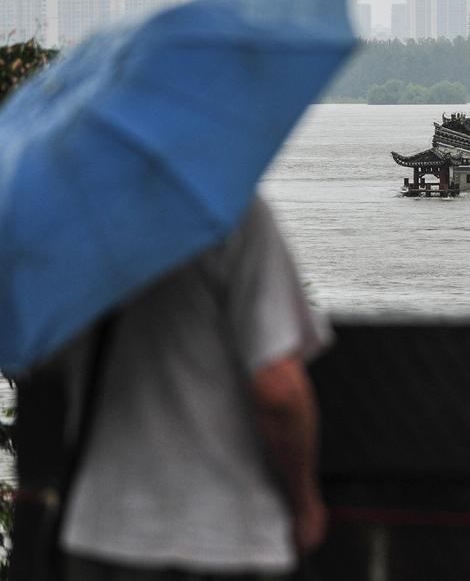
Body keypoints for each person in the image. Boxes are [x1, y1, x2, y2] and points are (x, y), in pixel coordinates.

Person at [59, 196, 331, 581]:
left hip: (98, 529)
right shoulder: (233, 213)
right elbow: (278, 390)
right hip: (225, 535)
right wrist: (306, 503)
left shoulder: (66, 225)